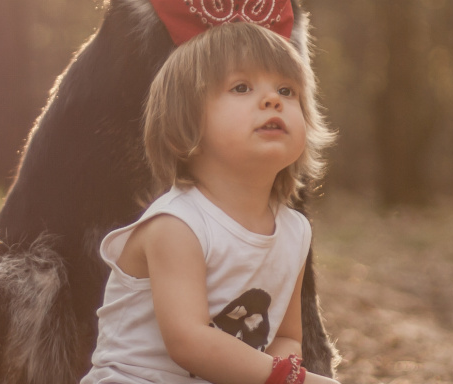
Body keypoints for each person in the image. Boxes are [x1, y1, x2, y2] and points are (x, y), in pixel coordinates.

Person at [81, 22, 339, 384]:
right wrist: (287, 379)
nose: (273, 99)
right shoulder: (177, 226)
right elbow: (188, 341)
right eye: (241, 87)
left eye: (287, 89)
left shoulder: (294, 231)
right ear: (185, 124)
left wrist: (281, 376)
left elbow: (285, 336)